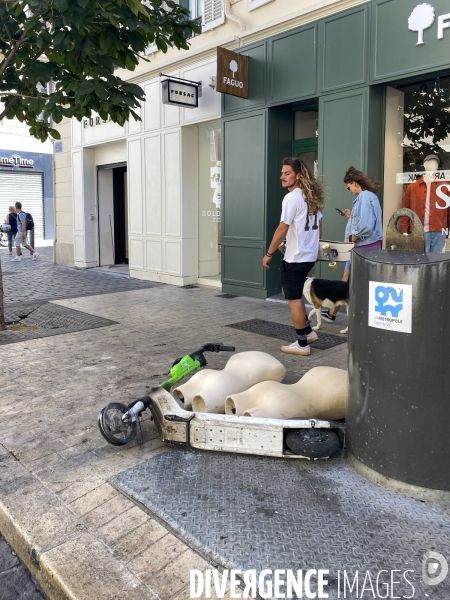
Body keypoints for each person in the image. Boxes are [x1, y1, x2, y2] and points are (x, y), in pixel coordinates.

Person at [263, 157, 325, 356]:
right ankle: (308, 333)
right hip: (307, 256)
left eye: (287, 173)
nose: (282, 177)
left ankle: (301, 343)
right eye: (282, 173)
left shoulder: (292, 198)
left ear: (298, 176)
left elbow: (283, 228)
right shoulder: (310, 197)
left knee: (294, 298)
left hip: (296, 257)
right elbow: (319, 227)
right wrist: (313, 246)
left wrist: (269, 253)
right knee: (290, 292)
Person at [322, 166, 382, 323]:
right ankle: (334, 313)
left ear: (355, 183)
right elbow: (365, 221)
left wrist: (352, 238)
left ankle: (353, 317)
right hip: (365, 246)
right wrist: (351, 216)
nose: (348, 190)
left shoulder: (364, 197)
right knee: (351, 280)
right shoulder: (368, 197)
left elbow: (366, 226)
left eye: (348, 187)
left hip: (362, 247)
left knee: (355, 283)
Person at [401, 154, 449, 252]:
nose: (433, 166)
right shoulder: (413, 187)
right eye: (430, 163)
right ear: (425, 165)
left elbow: (448, 210)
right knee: (419, 261)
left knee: (436, 261)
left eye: (435, 164)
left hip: (439, 231)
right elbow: (405, 210)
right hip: (418, 230)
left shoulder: (444, 186)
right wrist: (404, 230)